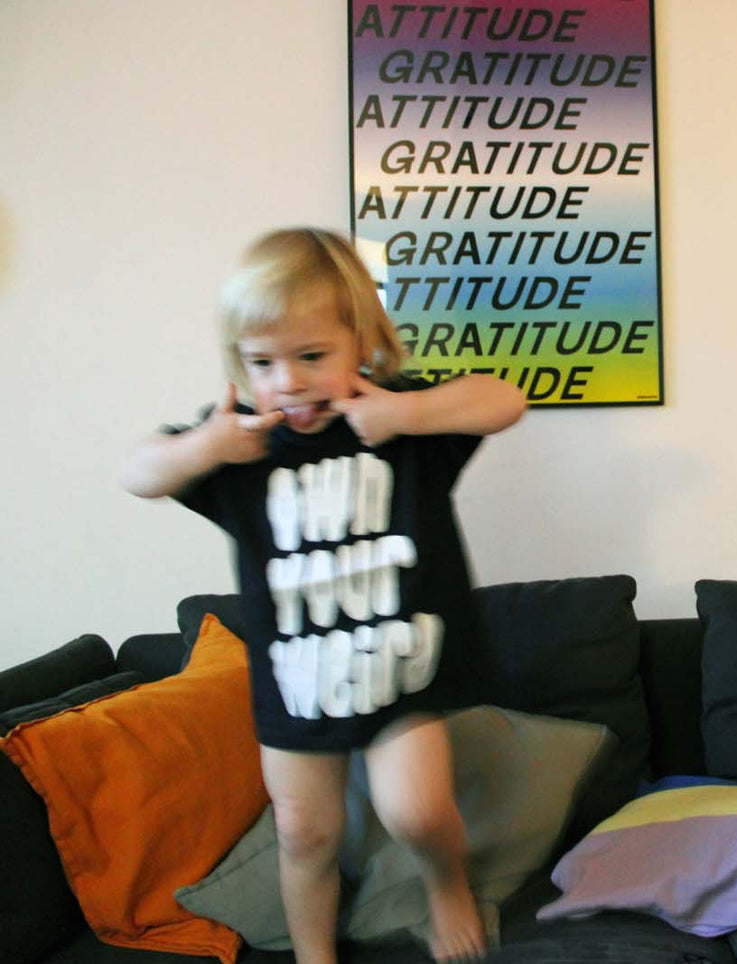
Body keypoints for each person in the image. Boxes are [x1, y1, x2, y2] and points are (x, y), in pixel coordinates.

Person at [121, 227, 527, 962]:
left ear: (361, 342)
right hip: (299, 686)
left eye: (312, 356)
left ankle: (446, 881)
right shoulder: (239, 446)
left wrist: (406, 415)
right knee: (305, 833)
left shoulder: (395, 419)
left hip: (398, 672)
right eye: (264, 362)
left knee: (418, 809)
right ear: (239, 365)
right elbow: (138, 473)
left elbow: (504, 400)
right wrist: (203, 447)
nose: (290, 380)